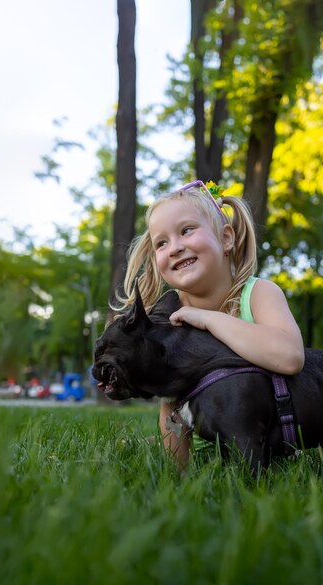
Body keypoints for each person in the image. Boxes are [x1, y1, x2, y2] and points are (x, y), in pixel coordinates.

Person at [114, 180, 304, 467]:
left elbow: (290, 358)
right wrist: (179, 474)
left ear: (226, 238)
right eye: (161, 243)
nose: (175, 248)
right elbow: (171, 400)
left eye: (186, 230)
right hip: (221, 439)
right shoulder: (172, 316)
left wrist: (208, 319)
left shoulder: (258, 294)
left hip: (281, 434)